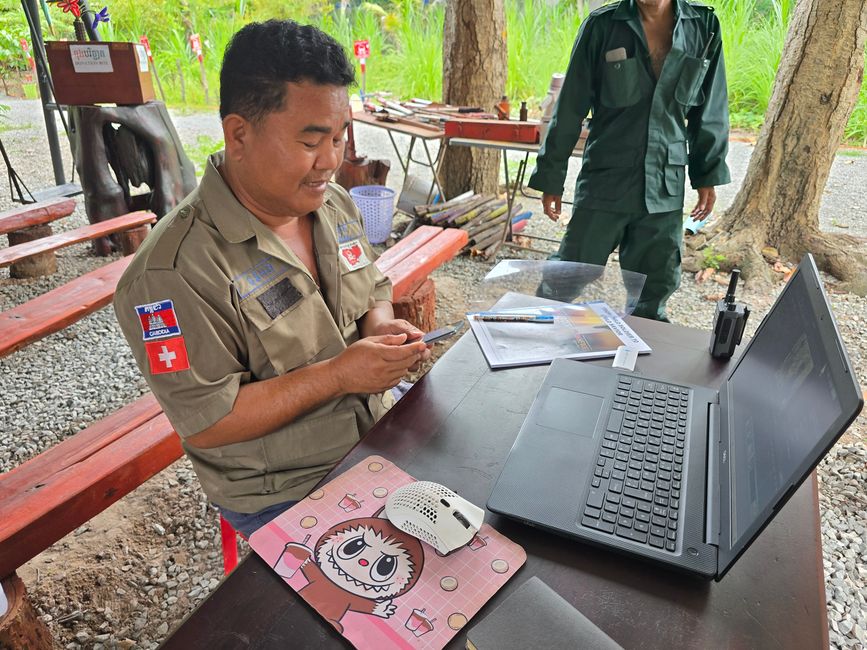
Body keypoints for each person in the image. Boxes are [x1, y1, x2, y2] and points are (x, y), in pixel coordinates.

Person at [113, 20, 430, 538]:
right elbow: (210, 420)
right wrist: (338, 375)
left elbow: (371, 287)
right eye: (310, 142)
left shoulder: (332, 204)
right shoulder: (170, 273)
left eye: (339, 136)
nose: (331, 161)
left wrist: (379, 330)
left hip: (375, 429)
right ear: (239, 134)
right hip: (283, 487)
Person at [529, 0, 730, 321]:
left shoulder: (703, 27)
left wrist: (707, 172)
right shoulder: (602, 25)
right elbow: (570, 107)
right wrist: (551, 175)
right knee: (567, 275)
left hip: (664, 188)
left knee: (654, 291)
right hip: (605, 181)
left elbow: (711, 110)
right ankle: (533, 349)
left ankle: (635, 368)